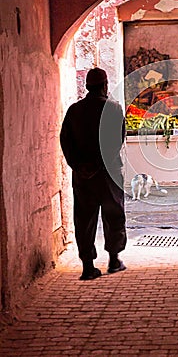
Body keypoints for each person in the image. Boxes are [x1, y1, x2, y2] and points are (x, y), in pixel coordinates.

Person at [60, 67, 127, 280]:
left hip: (84, 177)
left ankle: (88, 266)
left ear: (87, 86)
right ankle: (114, 260)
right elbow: (117, 140)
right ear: (105, 85)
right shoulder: (114, 109)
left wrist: (79, 166)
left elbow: (66, 142)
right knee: (113, 214)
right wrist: (100, 163)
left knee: (84, 219)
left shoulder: (74, 111)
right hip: (108, 173)